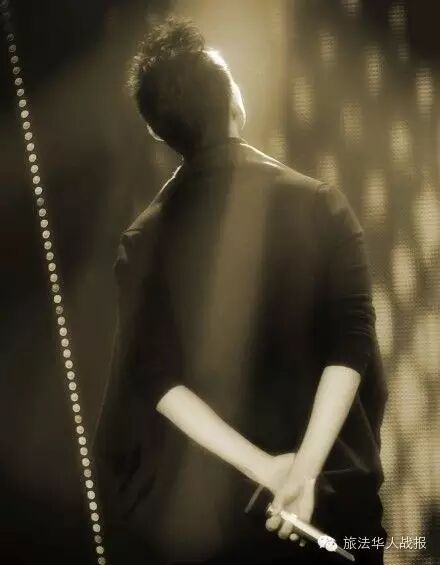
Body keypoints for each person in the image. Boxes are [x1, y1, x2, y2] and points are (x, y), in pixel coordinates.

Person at [93, 16, 388, 565]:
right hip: (337, 508)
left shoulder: (142, 241)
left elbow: (157, 380)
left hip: (220, 521)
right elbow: (351, 345)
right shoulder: (321, 204)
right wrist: (304, 473)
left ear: (157, 132)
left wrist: (269, 470)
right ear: (233, 98)